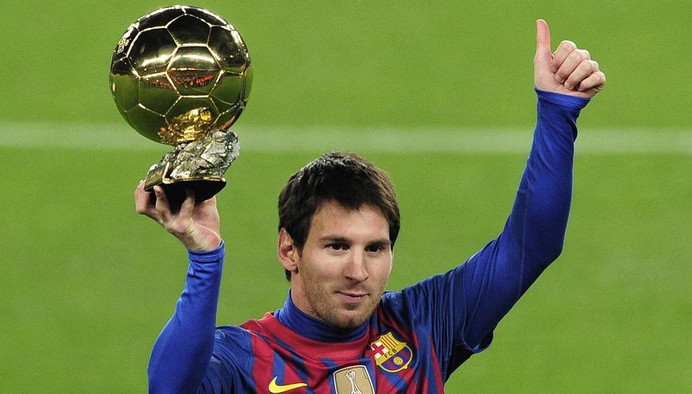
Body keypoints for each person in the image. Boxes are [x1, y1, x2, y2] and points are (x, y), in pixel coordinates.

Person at [135, 19, 606, 393]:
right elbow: (171, 388)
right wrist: (204, 259)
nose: (358, 271)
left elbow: (533, 244)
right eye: (337, 246)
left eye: (375, 248)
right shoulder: (244, 359)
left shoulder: (424, 325)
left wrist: (557, 113)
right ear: (288, 250)